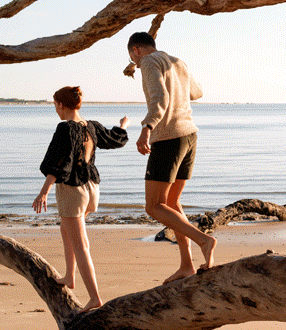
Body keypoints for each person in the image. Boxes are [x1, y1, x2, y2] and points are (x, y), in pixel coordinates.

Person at [127, 31, 216, 283]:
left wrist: (147, 128)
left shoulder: (148, 61)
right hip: (189, 136)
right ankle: (187, 265)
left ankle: (204, 240)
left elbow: (159, 98)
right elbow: (197, 92)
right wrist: (177, 82)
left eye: (133, 59)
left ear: (135, 50)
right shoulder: (177, 62)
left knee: (154, 206)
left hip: (168, 138)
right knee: (173, 204)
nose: (135, 65)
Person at [33, 86, 129, 311]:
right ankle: (69, 276)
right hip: (92, 188)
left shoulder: (65, 128)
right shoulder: (91, 126)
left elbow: (59, 162)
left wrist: (44, 191)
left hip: (73, 190)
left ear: (61, 105)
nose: (55, 109)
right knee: (65, 228)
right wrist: (123, 125)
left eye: (55, 105)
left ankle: (95, 297)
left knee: (81, 246)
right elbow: (114, 139)